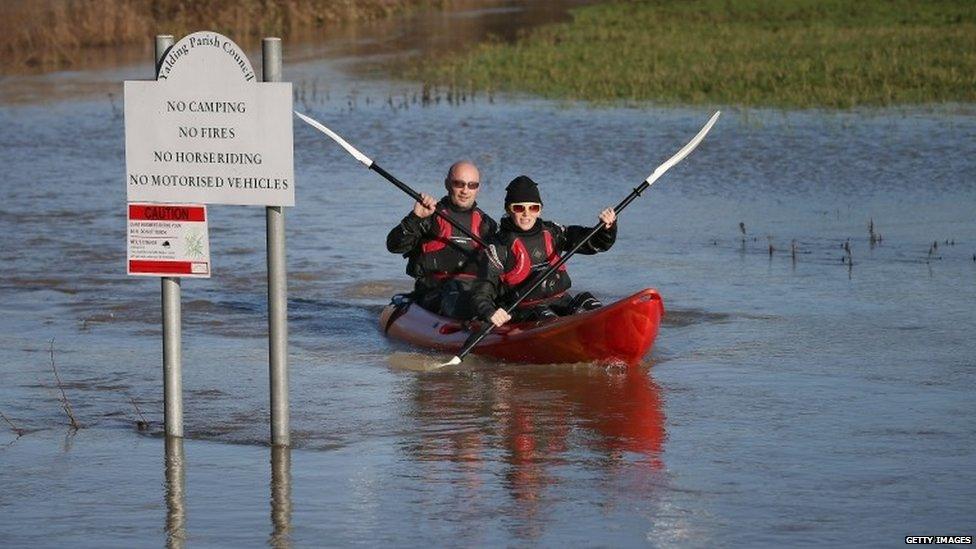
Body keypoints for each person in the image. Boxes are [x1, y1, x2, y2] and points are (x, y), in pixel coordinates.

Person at [471, 175, 617, 328]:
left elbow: (595, 243)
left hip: (561, 301)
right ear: (508, 209)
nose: (527, 214)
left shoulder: (553, 232)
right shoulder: (498, 247)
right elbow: (481, 292)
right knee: (547, 317)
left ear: (540, 210)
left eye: (533, 207)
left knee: (588, 302)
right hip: (524, 310)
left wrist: (606, 229)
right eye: (519, 208)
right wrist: (489, 312)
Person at [386, 160, 498, 319]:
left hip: (475, 293)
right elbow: (394, 246)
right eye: (459, 184)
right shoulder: (429, 216)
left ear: (478, 188)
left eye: (472, 185)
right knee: (455, 291)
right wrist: (415, 218)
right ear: (447, 184)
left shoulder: (487, 225)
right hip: (434, 293)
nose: (465, 191)